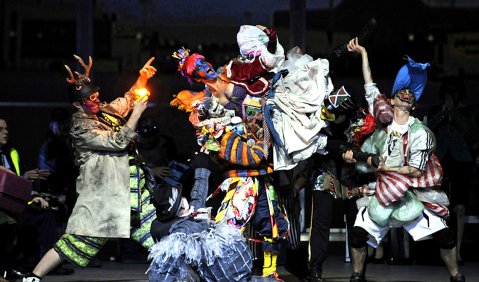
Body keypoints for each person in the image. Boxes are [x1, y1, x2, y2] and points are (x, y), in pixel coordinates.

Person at [22, 55, 157, 282]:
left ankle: (182, 274)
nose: (96, 99)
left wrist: (141, 78)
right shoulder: (81, 127)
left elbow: (129, 98)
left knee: (156, 236)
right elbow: (118, 141)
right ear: (78, 103)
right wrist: (136, 115)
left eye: (96, 95)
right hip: (105, 197)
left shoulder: (104, 111)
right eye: (90, 98)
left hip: (132, 193)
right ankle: (33, 277)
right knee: (75, 241)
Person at [344, 38, 465, 282]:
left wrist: (386, 166)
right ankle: (358, 276)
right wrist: (364, 53)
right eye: (402, 91)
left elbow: (417, 172)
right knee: (357, 234)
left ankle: (456, 276)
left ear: (413, 103)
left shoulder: (419, 131)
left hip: (412, 192)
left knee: (446, 237)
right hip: (383, 191)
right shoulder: (383, 119)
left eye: (411, 93)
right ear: (392, 99)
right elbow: (370, 85)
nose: (407, 94)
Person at [148, 152, 254, 282]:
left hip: (232, 271)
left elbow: (199, 193)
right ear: (183, 204)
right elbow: (163, 272)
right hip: (234, 270)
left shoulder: (189, 217)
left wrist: (202, 169)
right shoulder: (182, 234)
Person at [428, 76, 476, 264]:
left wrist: (454, 112)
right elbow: (427, 129)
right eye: (448, 91)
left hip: (462, 160)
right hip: (440, 161)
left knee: (460, 206)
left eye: (454, 92)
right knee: (439, 205)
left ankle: (458, 250)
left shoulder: (468, 111)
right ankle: (443, 249)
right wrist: (442, 113)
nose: (451, 95)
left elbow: (472, 132)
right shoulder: (436, 110)